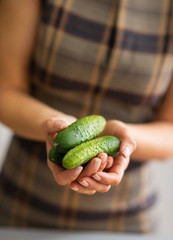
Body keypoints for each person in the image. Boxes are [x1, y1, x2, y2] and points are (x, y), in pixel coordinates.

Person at [0, 0, 173, 233]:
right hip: (23, 204)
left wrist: (127, 139)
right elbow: (6, 90)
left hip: (128, 220)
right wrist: (53, 124)